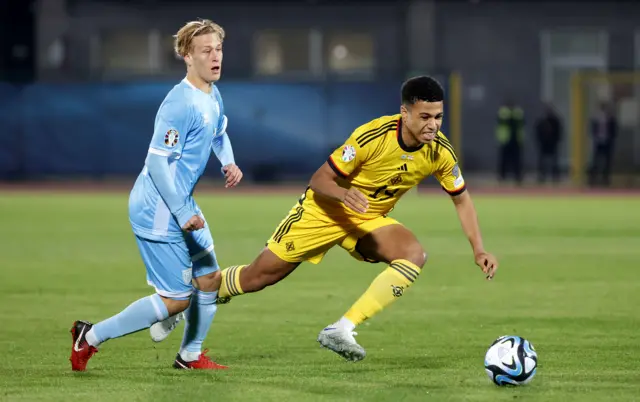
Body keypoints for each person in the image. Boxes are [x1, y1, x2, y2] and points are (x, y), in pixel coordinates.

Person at [152, 76, 498, 362]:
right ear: (405, 113)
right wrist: (344, 194)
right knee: (258, 277)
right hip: (323, 211)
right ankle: (185, 301)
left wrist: (478, 248)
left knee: (413, 254)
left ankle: (342, 328)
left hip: (366, 219)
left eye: (438, 116)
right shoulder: (371, 137)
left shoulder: (440, 151)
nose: (433, 125)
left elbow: (461, 198)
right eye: (425, 117)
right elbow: (319, 180)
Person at [69, 19, 243, 371]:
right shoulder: (179, 103)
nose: (215, 57)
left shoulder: (212, 93)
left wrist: (229, 162)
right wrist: (181, 212)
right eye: (206, 51)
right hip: (159, 208)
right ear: (187, 56)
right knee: (176, 300)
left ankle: (190, 355)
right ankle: (88, 337)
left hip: (180, 203)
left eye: (219, 49)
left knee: (209, 278)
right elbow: (158, 164)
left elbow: (219, 133)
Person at [496, 99, 525, 185]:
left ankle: (518, 176)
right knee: (504, 160)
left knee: (517, 159)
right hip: (505, 139)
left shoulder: (517, 112)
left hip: (515, 139)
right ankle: (502, 176)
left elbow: (521, 122)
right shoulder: (503, 112)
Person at [588, 101, 617, 187]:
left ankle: (605, 178)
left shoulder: (611, 119)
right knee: (596, 160)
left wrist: (610, 138)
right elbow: (592, 129)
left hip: (607, 142)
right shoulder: (596, 119)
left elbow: (614, 130)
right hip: (598, 141)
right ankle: (593, 178)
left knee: (607, 161)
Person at [535, 102, 562, 183]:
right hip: (544, 143)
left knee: (554, 160)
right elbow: (537, 131)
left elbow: (559, 132)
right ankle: (542, 175)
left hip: (552, 143)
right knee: (543, 160)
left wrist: (556, 140)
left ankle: (555, 175)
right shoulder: (542, 121)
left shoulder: (555, 121)